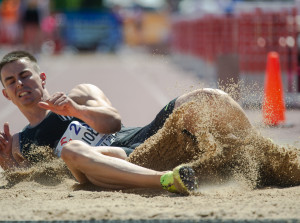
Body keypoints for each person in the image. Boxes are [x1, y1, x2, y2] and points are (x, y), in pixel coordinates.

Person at [0, 50, 202, 194]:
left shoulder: (80, 94)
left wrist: (77, 111)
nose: (19, 83)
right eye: (10, 81)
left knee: (203, 98)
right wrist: (8, 163)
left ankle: (233, 155)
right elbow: (36, 180)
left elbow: (113, 123)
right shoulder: (19, 143)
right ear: (6, 94)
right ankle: (166, 180)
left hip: (140, 141)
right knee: (72, 150)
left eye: (25, 75)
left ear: (42, 78)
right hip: (113, 165)